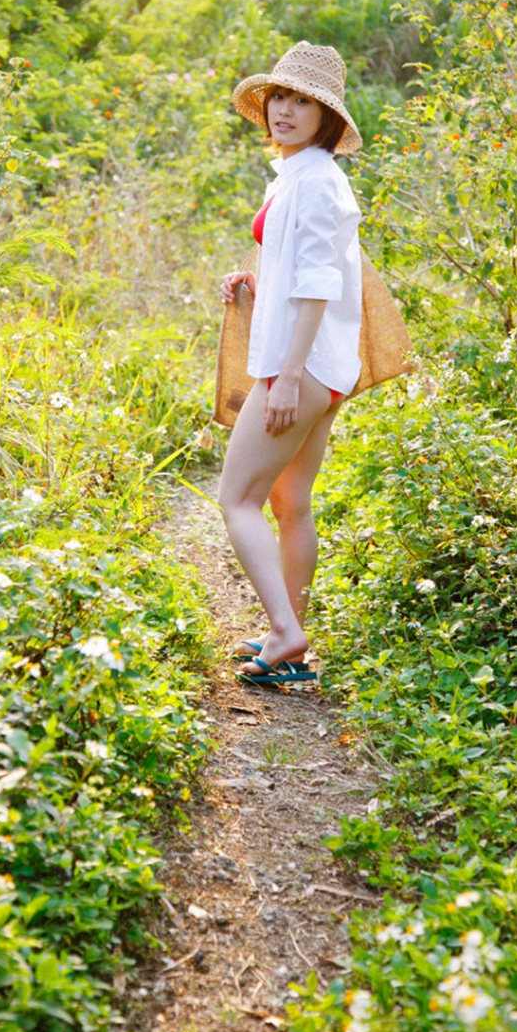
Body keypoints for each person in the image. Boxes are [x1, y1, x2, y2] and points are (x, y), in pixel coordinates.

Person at [218, 42, 363, 686]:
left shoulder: (317, 182)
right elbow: (296, 271)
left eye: (302, 101)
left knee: (237, 499)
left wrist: (286, 378)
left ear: (325, 116)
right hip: (322, 364)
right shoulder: (302, 176)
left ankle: (284, 631)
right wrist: (251, 281)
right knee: (289, 501)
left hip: (300, 367)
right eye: (279, 96)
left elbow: (318, 282)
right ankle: (294, 649)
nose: (285, 109)